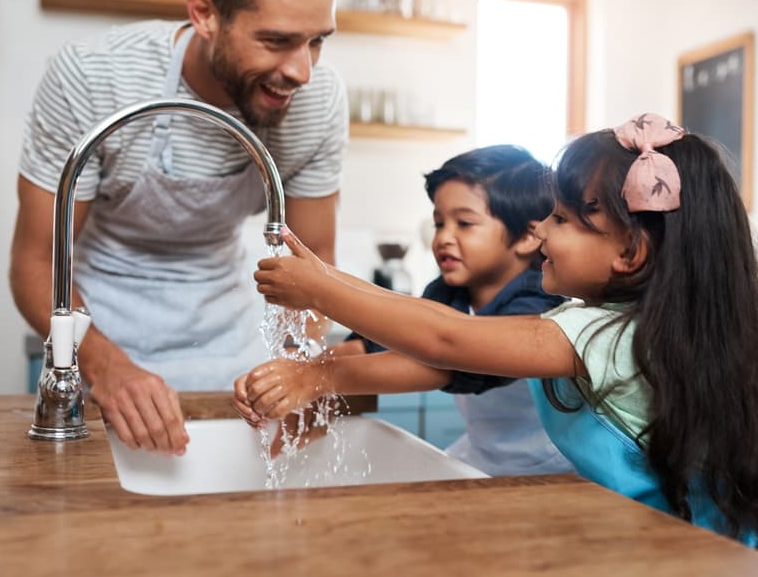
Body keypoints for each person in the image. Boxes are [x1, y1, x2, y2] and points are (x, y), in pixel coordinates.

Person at [243, 114, 758, 575]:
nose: (543, 229)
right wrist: (320, 347)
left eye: (564, 219)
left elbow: (442, 339)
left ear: (629, 251)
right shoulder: (620, 321)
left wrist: (322, 287)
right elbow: (429, 325)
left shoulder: (594, 331)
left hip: (737, 557)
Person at [9, 0, 347, 457]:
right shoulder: (94, 78)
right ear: (204, 13)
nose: (301, 71)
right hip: (100, 333)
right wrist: (103, 367)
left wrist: (296, 366)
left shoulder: (317, 102)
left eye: (316, 42)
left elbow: (316, 261)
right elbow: (36, 264)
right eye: (278, 40)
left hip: (228, 344)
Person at [235, 145, 573, 476]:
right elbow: (378, 342)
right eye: (440, 223)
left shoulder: (539, 301)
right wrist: (288, 375)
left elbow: (444, 360)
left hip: (553, 471)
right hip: (482, 458)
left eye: (464, 224)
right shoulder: (449, 291)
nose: (443, 238)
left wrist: (316, 376)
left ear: (530, 236)